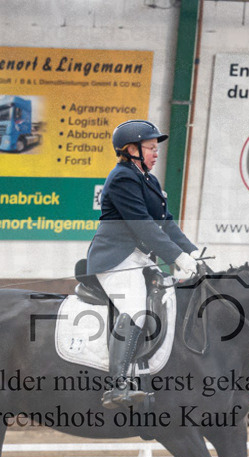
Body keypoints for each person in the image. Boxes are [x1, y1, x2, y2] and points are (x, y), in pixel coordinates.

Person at [86, 119, 202, 409]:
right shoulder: (123, 178)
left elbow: (165, 223)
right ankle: (117, 385)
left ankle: (145, 372)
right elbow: (144, 228)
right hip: (115, 257)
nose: (156, 152)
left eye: (155, 147)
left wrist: (191, 251)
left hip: (138, 258)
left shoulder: (148, 179)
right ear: (130, 150)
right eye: (150, 147)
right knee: (136, 308)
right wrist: (177, 257)